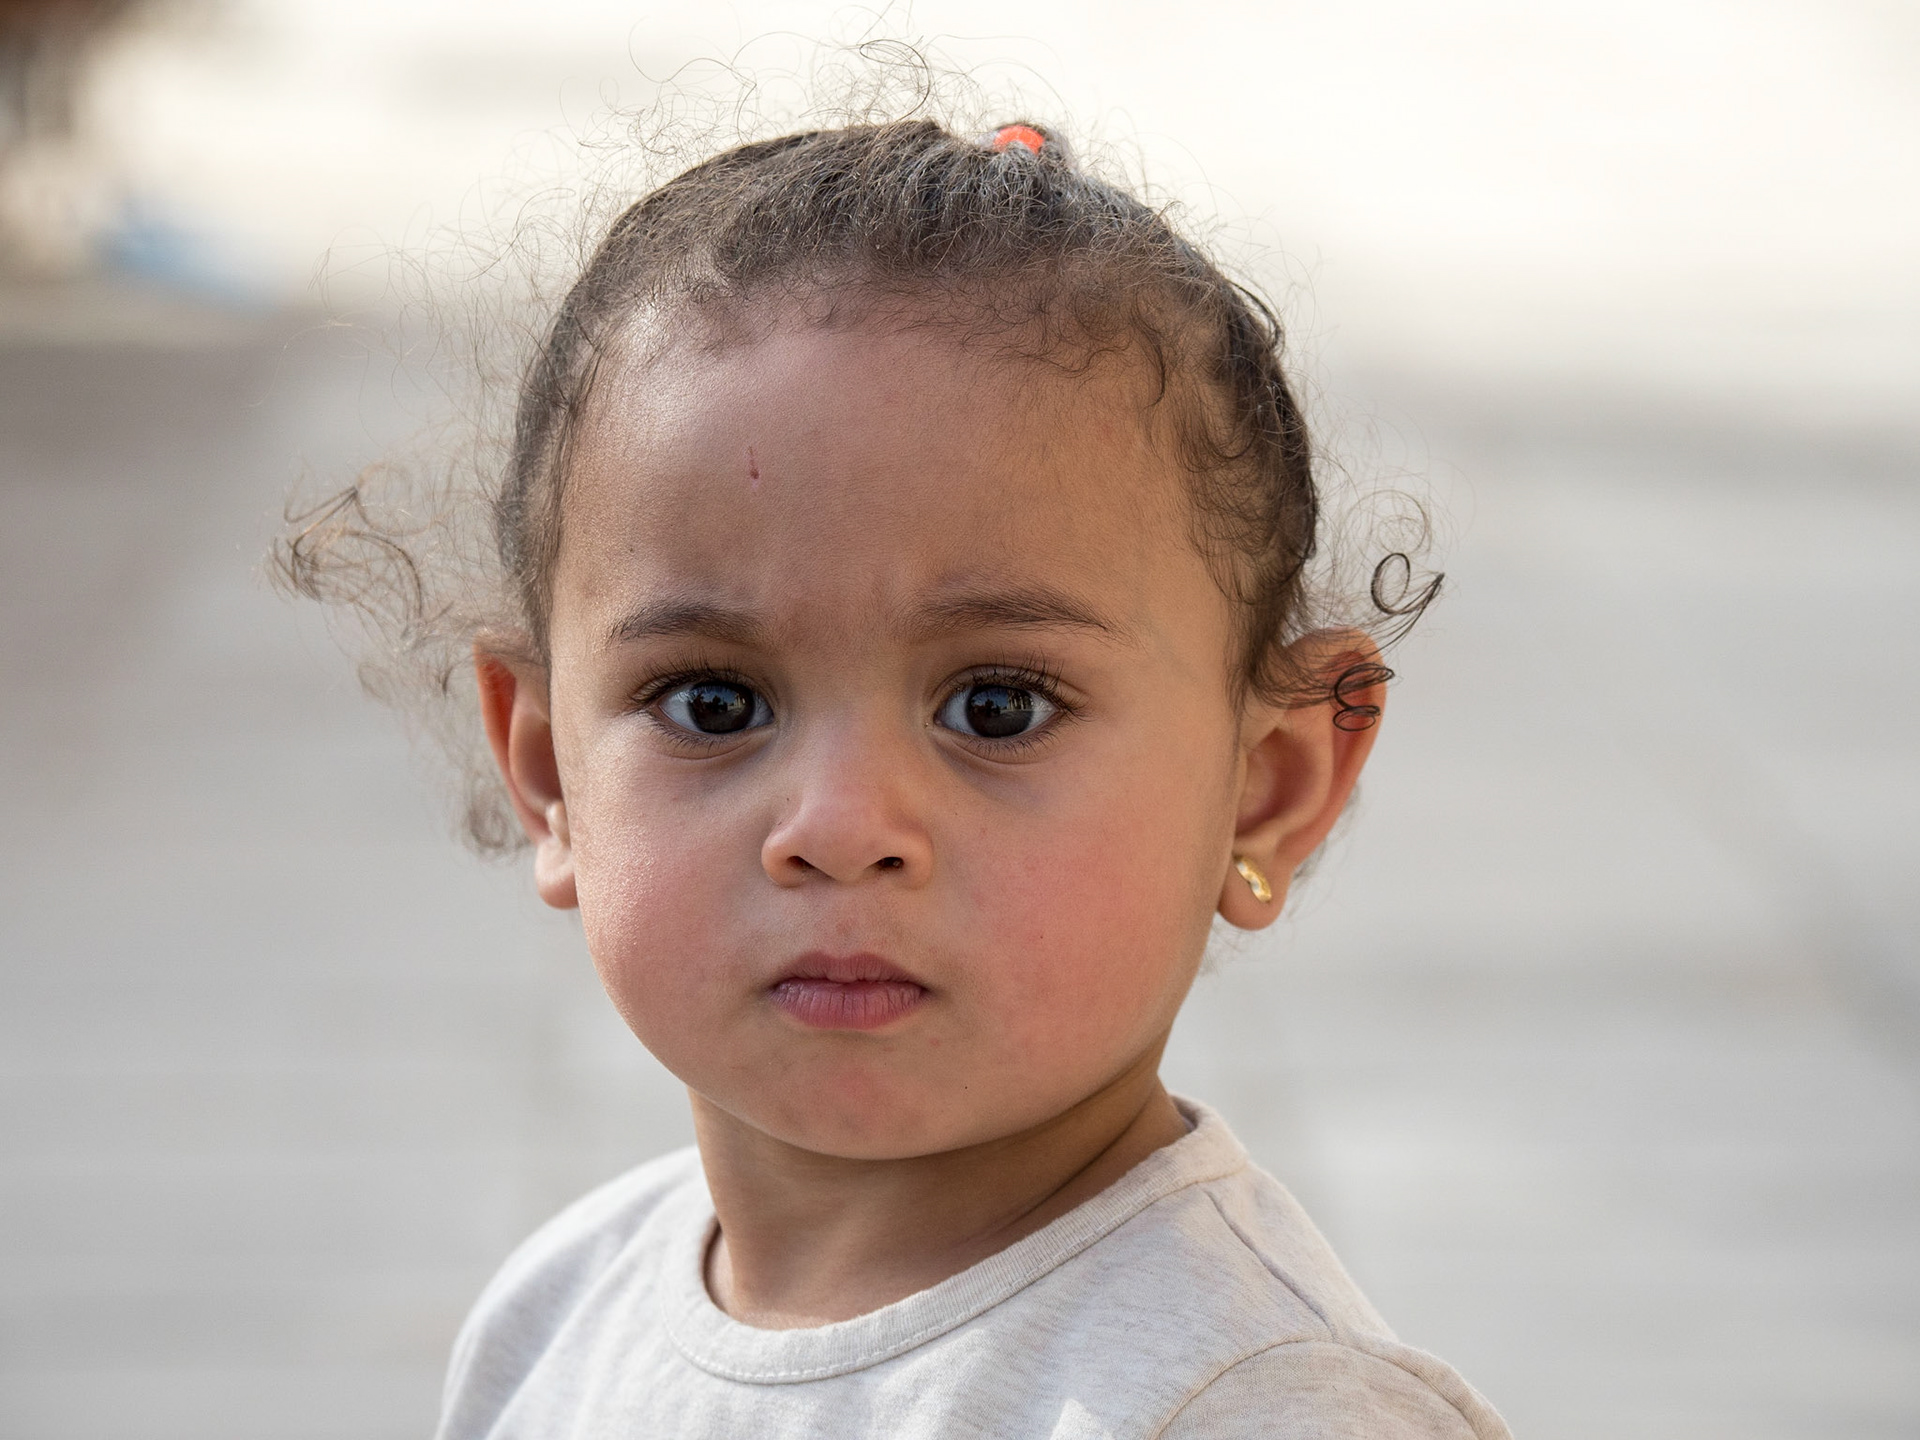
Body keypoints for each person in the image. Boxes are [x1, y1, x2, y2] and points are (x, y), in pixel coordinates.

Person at [285, 116, 1508, 1438]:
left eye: (997, 707)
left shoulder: (1252, 1404)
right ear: (548, 769)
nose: (840, 826)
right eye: (714, 704)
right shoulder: (560, 1316)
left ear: (1267, 785)